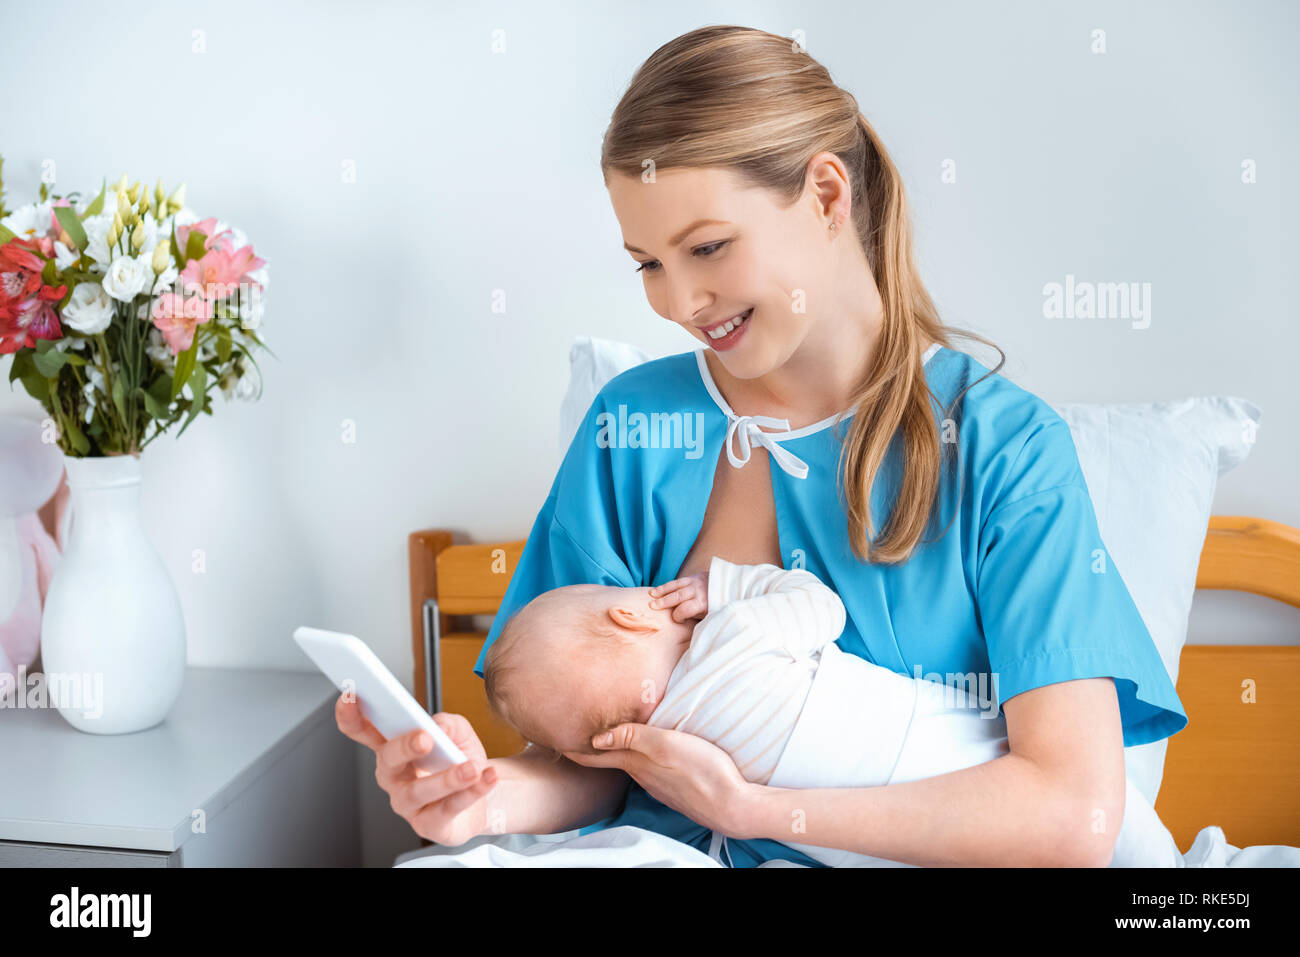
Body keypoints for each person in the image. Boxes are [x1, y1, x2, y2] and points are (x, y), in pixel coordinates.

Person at [337, 24, 1186, 867]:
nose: (679, 302)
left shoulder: (1004, 450)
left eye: (706, 248)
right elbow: (596, 764)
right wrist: (481, 794)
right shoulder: (630, 427)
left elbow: (1071, 815)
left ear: (826, 195)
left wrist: (756, 810)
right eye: (648, 264)